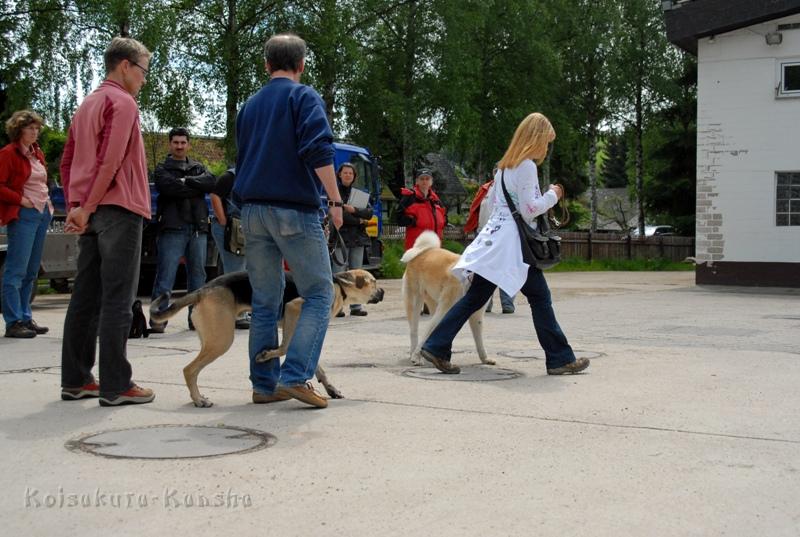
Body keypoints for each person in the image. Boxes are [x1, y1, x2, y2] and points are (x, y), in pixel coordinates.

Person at [420, 112, 590, 376]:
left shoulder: (503, 168)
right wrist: (553, 195)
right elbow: (530, 209)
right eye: (546, 140)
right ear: (536, 138)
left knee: (474, 297)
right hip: (515, 247)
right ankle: (559, 359)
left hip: (496, 241)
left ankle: (436, 346)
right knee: (540, 298)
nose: (547, 147)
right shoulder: (526, 166)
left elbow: (501, 207)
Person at [234, 33, 343, 408]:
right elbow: (317, 148)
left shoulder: (249, 105)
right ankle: (295, 376)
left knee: (265, 301)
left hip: (252, 210)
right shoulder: (303, 96)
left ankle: (264, 385)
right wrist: (335, 198)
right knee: (319, 293)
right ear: (301, 65)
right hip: (293, 209)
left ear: (266, 65)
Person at [59, 37, 155, 406]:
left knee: (84, 297)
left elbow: (68, 161)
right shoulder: (123, 102)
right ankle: (117, 385)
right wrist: (92, 202)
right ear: (125, 66)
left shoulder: (87, 103)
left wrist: (78, 205)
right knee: (118, 298)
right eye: (143, 71)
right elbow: (111, 159)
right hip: (120, 209)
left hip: (91, 211)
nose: (144, 79)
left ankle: (77, 379)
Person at [149, 127, 216, 333]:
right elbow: (168, 187)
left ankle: (195, 320)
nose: (179, 146)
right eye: (176, 142)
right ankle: (158, 320)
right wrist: (195, 187)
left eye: (183, 142)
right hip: (172, 227)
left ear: (188, 144)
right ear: (170, 144)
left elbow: (211, 182)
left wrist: (185, 181)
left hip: (197, 227)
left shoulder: (198, 166)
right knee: (165, 277)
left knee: (198, 277)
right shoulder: (162, 169)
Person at [0, 110, 53, 338]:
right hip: (23, 213)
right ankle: (13, 321)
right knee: (16, 269)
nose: (34, 132)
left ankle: (25, 316)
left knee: (32, 270)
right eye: (30, 128)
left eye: (36, 128)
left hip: (42, 213)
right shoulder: (8, 153)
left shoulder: (37, 153)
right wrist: (21, 200)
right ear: (18, 130)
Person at [209, 167, 250, 329]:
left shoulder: (249, 174)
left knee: (243, 271)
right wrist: (224, 222)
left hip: (241, 228)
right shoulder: (230, 176)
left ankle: (239, 311)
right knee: (236, 272)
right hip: (232, 229)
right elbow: (214, 196)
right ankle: (237, 314)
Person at [331, 162, 373, 317]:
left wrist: (354, 210)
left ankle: (356, 306)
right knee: (339, 273)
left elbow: (369, 213)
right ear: (339, 174)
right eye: (345, 172)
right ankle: (338, 306)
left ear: (354, 176)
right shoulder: (333, 192)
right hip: (339, 237)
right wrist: (358, 219)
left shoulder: (360, 194)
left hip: (357, 238)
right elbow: (339, 216)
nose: (348, 175)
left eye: (351, 173)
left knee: (358, 274)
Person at [396, 169, 446, 251]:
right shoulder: (410, 197)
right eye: (422, 179)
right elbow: (399, 218)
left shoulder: (436, 200)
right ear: (417, 181)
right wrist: (413, 221)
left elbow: (444, 217)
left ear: (431, 182)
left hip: (435, 247)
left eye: (427, 179)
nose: (424, 181)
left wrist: (443, 221)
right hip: (416, 248)